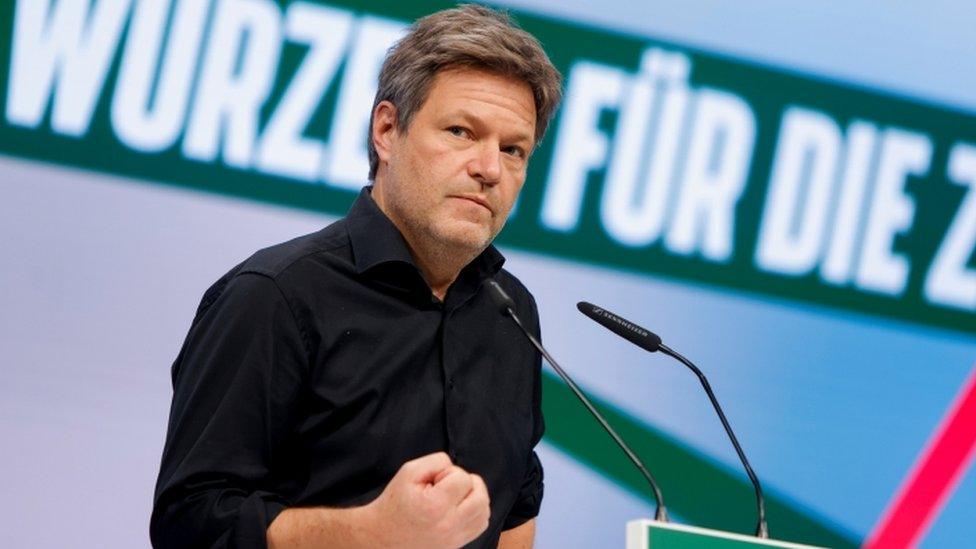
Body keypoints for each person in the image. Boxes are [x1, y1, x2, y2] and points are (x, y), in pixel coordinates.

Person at [150, 4, 562, 548]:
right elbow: (190, 523)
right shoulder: (273, 296)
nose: (489, 169)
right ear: (387, 130)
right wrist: (369, 533)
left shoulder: (511, 311)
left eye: (514, 150)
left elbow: (515, 503)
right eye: (462, 132)